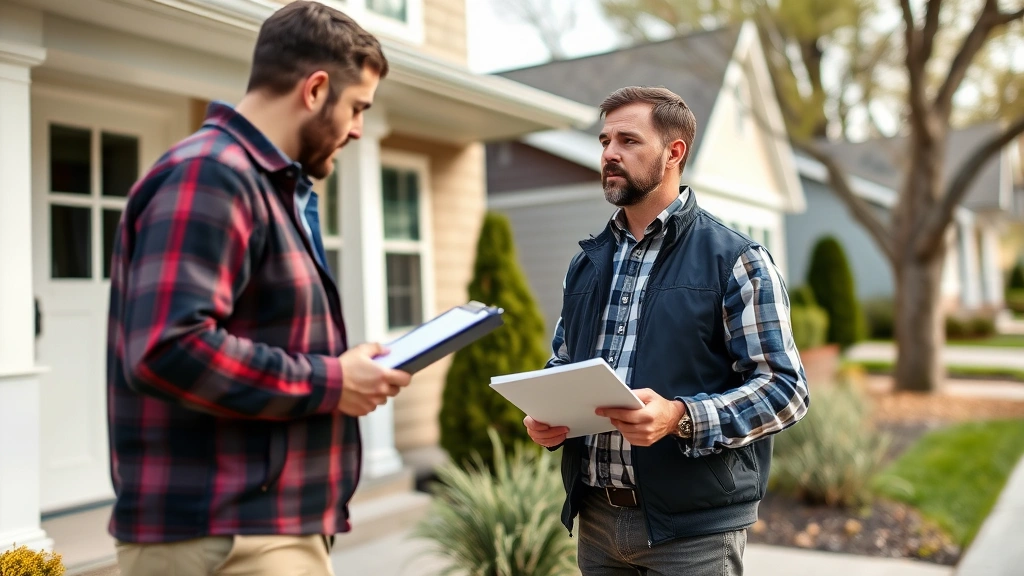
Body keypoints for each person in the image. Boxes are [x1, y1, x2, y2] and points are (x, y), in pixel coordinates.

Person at [105, 2, 410, 574]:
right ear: (315, 89)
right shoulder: (212, 174)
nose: (357, 129)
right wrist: (333, 381)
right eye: (357, 107)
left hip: (257, 528)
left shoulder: (265, 186)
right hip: (225, 535)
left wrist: (340, 371)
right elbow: (168, 348)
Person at [523, 86, 810, 576]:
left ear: (673, 152)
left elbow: (786, 389)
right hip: (596, 523)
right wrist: (550, 416)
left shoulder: (737, 259)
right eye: (605, 141)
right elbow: (565, 361)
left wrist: (681, 417)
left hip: (693, 533)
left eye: (628, 140)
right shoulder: (586, 264)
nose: (609, 153)